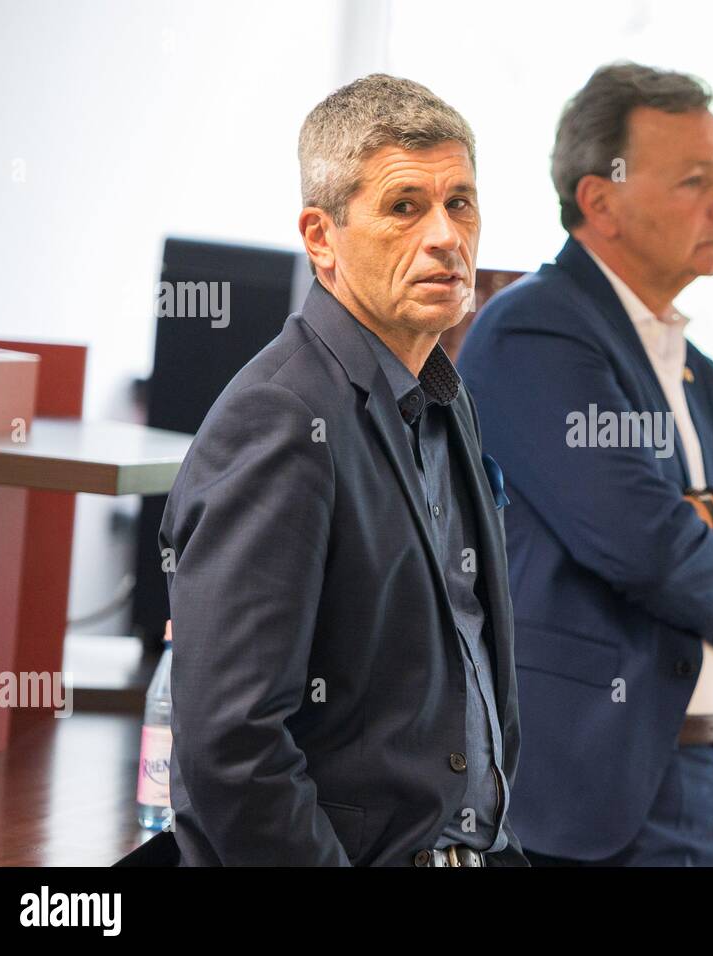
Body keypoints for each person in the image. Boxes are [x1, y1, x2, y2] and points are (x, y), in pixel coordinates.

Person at [457, 62, 713, 866]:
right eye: (696, 181)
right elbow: (651, 547)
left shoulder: (694, 365)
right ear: (601, 201)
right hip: (605, 802)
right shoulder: (536, 333)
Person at [157, 74, 525, 866]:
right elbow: (234, 747)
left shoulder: (441, 396)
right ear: (321, 238)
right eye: (405, 207)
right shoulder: (281, 419)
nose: (445, 237)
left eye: (460, 203)